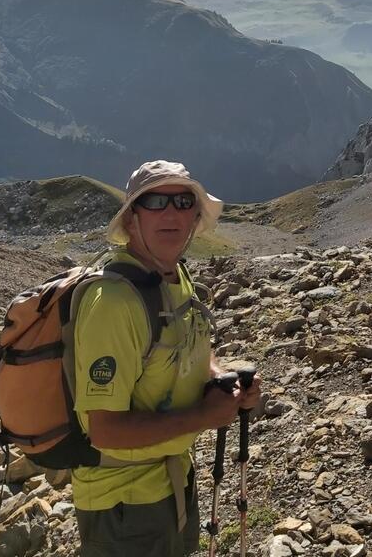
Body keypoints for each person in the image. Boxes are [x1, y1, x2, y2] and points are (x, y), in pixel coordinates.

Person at [72, 160, 262, 557]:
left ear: (195, 216)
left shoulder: (175, 277)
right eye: (156, 201)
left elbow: (187, 352)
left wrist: (220, 379)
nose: (172, 212)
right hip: (122, 503)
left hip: (175, 482)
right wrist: (203, 417)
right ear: (131, 220)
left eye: (183, 201)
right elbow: (104, 431)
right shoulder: (114, 303)